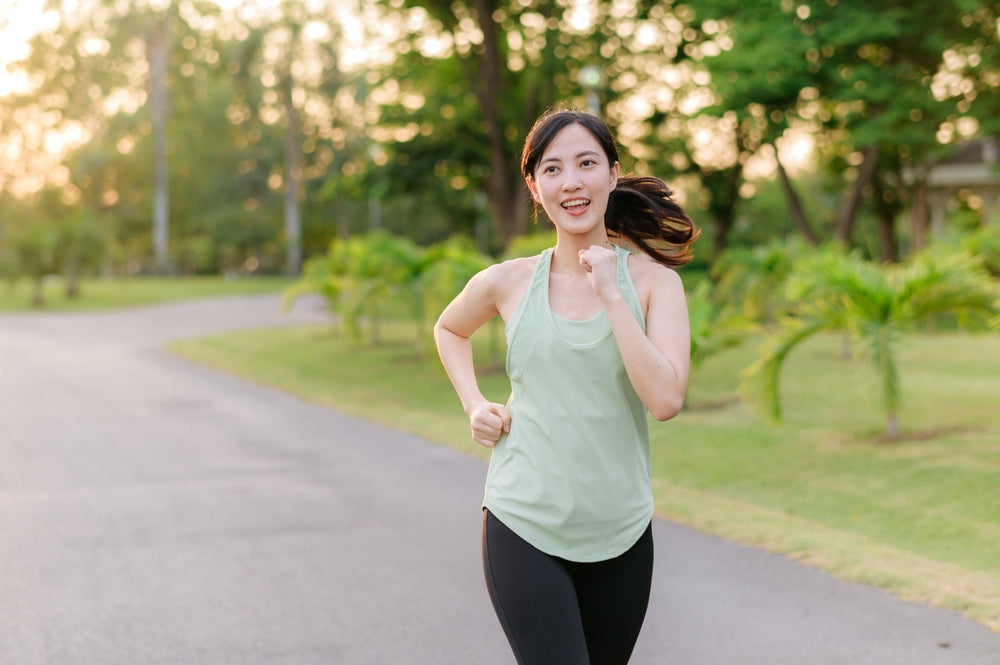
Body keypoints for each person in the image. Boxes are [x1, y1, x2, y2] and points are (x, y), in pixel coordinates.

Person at [433, 108, 700, 665]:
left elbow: (666, 401)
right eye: (552, 169)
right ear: (535, 186)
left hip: (620, 530)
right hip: (523, 519)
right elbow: (449, 328)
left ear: (612, 173)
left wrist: (611, 294)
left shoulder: (656, 285)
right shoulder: (508, 281)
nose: (571, 182)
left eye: (586, 163)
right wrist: (474, 402)